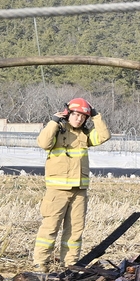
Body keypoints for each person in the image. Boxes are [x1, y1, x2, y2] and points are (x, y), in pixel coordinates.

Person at [33, 98, 111, 270]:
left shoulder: (85, 135)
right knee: (50, 228)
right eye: (76, 115)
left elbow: (104, 136)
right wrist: (53, 122)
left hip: (79, 191)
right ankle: (40, 263)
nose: (79, 119)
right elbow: (43, 143)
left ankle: (70, 264)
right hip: (57, 190)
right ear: (68, 114)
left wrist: (96, 116)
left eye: (83, 116)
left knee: (75, 230)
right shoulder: (57, 130)